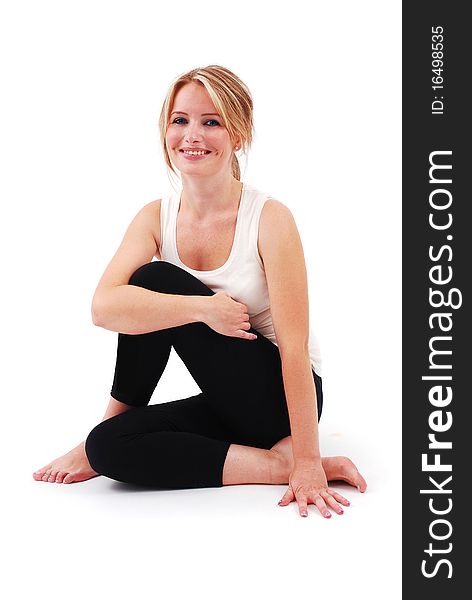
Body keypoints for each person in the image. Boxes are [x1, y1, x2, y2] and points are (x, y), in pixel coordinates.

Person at [33, 65, 367, 518]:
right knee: (108, 446)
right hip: (226, 400)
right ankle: (273, 465)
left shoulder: (270, 219)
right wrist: (203, 310)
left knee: (153, 281)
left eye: (211, 121)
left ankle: (299, 458)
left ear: (239, 134)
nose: (192, 135)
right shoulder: (155, 216)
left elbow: (293, 349)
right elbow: (104, 307)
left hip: (279, 399)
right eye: (180, 120)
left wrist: (307, 461)